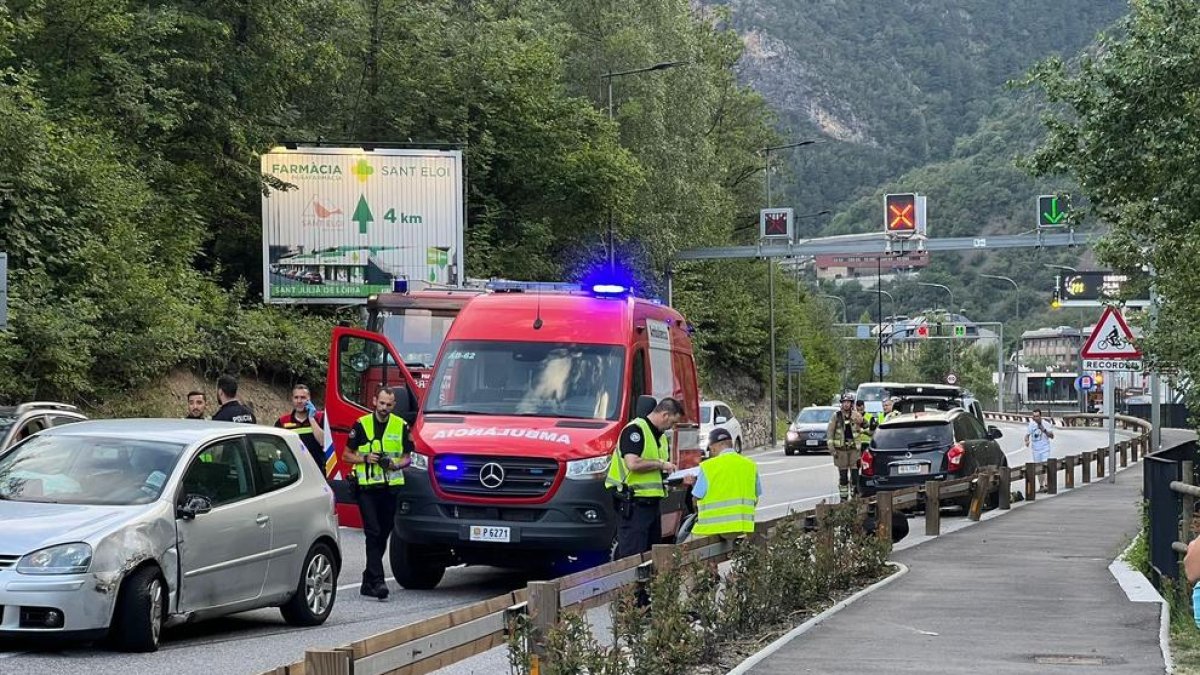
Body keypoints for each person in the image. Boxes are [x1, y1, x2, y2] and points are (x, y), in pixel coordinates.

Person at [344, 387, 412, 600]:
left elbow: (408, 457)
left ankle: (367, 579)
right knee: (372, 532)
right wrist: (365, 459)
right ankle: (378, 580)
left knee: (382, 534)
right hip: (366, 489)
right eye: (381, 403)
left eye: (389, 404)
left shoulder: (401, 426)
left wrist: (396, 464)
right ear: (374, 401)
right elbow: (346, 455)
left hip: (390, 488)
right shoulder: (361, 425)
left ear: (393, 405)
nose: (384, 408)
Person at [605, 397, 683, 559]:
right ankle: (630, 585)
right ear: (665, 415)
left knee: (651, 556)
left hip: (652, 505)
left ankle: (648, 585)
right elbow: (632, 463)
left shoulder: (660, 437)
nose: (671, 427)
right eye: (672, 423)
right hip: (633, 504)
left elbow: (656, 475)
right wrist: (661, 464)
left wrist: (678, 478)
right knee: (633, 557)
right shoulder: (635, 430)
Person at [690, 428, 761, 540]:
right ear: (731, 445)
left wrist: (693, 484)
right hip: (742, 528)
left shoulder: (708, 467)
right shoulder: (750, 465)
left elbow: (696, 497)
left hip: (711, 529)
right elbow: (756, 495)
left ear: (713, 447)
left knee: (685, 547)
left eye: (710, 450)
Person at [275, 384, 327, 474]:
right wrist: (276, 460)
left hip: (317, 471)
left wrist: (312, 419)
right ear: (292, 399)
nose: (299, 401)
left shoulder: (321, 418)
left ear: (309, 399)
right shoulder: (282, 422)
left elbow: (323, 441)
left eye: (303, 398)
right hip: (294, 472)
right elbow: (275, 445)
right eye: (296, 397)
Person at [826, 395, 863, 501]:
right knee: (843, 477)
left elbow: (865, 425)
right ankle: (843, 498)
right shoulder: (836, 416)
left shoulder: (856, 415)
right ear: (841, 403)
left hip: (854, 451)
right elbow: (830, 433)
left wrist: (860, 419)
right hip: (841, 451)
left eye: (849, 402)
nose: (846, 404)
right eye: (844, 402)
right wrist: (832, 449)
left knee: (855, 476)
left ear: (851, 404)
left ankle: (855, 497)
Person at [1024, 408, 1056, 492]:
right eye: (1034, 416)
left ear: (1040, 416)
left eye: (1037, 416)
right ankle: (1041, 486)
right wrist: (1027, 441)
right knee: (1038, 468)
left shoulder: (1046, 424)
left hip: (1045, 448)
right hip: (1035, 449)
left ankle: (1047, 484)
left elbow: (1052, 436)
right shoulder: (1031, 425)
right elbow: (1027, 435)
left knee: (1045, 465)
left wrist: (1044, 430)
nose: (1036, 418)